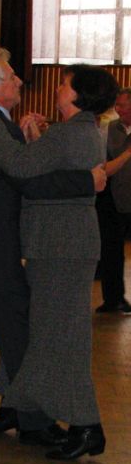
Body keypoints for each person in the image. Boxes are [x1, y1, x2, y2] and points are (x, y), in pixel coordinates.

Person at [0, 48, 101, 442]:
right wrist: (88, 181)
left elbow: (23, 169)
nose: (20, 81)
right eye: (12, 76)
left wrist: (29, 141)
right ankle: (34, 422)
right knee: (19, 333)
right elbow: (27, 180)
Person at [96, 87, 131, 314]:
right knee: (112, 252)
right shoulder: (108, 129)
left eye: (122, 105)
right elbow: (102, 164)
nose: (118, 109)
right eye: (116, 105)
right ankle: (113, 300)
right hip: (114, 200)